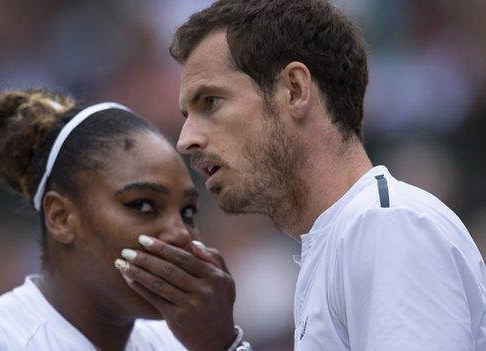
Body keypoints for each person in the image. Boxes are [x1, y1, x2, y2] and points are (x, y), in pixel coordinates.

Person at [155, 0, 484, 350]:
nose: (186, 139)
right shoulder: (340, 238)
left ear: (294, 90)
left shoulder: (386, 225)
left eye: (210, 102)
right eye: (187, 114)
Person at [0, 88, 241, 351]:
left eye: (187, 213)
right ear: (61, 218)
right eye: (142, 205)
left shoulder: (181, 345)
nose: (181, 234)